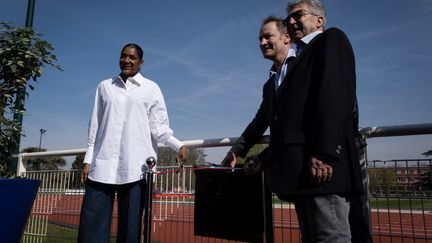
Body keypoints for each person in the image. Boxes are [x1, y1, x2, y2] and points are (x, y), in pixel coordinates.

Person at [222, 0, 364, 242]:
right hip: (298, 171)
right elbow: (274, 123)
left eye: (298, 15)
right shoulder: (275, 80)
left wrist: (326, 153)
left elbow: (337, 97)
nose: (292, 21)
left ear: (319, 20)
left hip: (322, 168)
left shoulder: (329, 40)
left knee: (331, 237)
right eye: (289, 18)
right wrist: (243, 152)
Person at [78, 43, 188, 243]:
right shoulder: (104, 87)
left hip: (136, 170)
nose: (127, 60)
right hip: (101, 167)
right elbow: (95, 125)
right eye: (123, 56)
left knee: (131, 231)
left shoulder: (151, 88)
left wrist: (177, 145)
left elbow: (158, 126)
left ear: (141, 62)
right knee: (90, 227)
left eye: (132, 57)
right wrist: (88, 159)